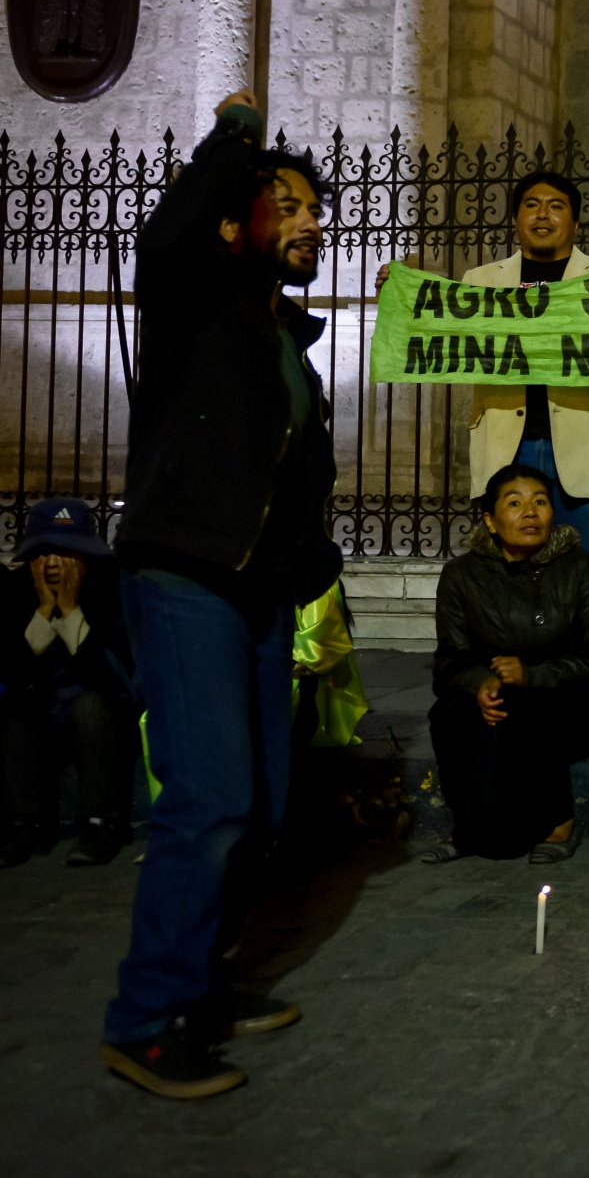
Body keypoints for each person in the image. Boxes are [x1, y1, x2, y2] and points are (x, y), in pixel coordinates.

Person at [100, 91, 340, 1099]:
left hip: (258, 590)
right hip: (188, 569)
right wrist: (234, 139)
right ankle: (146, 1018)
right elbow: (165, 238)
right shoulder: (195, 297)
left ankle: (207, 982)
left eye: (314, 211)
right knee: (207, 799)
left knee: (264, 799)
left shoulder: (288, 342)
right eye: (286, 204)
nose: (308, 222)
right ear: (240, 216)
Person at [376, 172, 589, 599]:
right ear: (516, 219)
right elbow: (438, 333)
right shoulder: (481, 282)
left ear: (574, 221)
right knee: (508, 582)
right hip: (507, 449)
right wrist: (399, 300)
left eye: (556, 206)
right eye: (531, 205)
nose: (543, 215)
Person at [426, 464, 589, 864]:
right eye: (515, 504)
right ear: (491, 521)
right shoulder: (461, 576)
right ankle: (468, 825)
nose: (530, 513)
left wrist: (533, 675)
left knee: (530, 710)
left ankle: (557, 822)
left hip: (570, 697)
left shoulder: (579, 568)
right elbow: (451, 660)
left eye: (541, 502)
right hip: (496, 690)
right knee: (449, 714)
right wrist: (479, 682)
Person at [1, 498, 139, 867]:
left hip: (101, 717)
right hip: (43, 711)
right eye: (44, 552)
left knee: (91, 704)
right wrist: (46, 612)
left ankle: (102, 825)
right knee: (15, 712)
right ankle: (24, 826)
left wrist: (72, 610)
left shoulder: (112, 591)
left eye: (64, 552)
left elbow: (111, 674)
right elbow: (14, 670)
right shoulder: (17, 592)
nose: (51, 563)